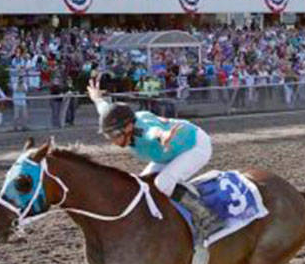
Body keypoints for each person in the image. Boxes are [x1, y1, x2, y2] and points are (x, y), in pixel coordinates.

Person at [86, 76, 217, 242]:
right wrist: (97, 98)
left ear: (129, 127)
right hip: (169, 153)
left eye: (114, 135)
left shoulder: (142, 127)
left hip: (195, 146)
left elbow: (152, 131)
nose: (112, 140)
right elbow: (104, 108)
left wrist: (163, 135)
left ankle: (206, 216)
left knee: (163, 182)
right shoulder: (122, 119)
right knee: (142, 185)